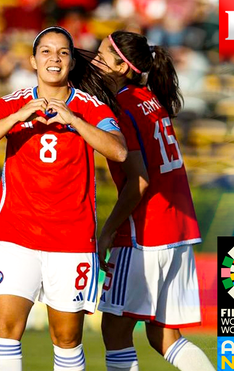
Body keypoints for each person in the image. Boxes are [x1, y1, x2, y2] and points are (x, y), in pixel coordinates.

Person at [0, 26, 127, 371]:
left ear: (70, 61)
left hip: (72, 240)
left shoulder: (90, 107)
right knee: (6, 330)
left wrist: (74, 121)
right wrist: (16, 118)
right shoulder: (11, 103)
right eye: (47, 52)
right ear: (33, 60)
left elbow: (119, 151)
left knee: (66, 339)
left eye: (63, 52)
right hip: (16, 234)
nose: (55, 59)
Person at [93, 31, 214, 371]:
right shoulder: (150, 97)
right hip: (179, 230)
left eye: (103, 55)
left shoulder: (123, 107)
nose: (96, 59)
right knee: (165, 338)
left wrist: (106, 234)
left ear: (122, 66)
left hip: (144, 234)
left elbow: (139, 183)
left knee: (115, 331)